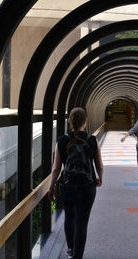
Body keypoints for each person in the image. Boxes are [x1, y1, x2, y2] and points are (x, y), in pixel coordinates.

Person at [48, 107, 103, 259]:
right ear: (85, 121)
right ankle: (77, 255)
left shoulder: (62, 140)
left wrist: (51, 187)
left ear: (70, 122)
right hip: (87, 186)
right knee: (82, 222)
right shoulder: (92, 140)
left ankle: (71, 250)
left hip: (67, 186)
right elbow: (99, 165)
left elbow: (56, 168)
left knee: (69, 217)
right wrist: (100, 177)